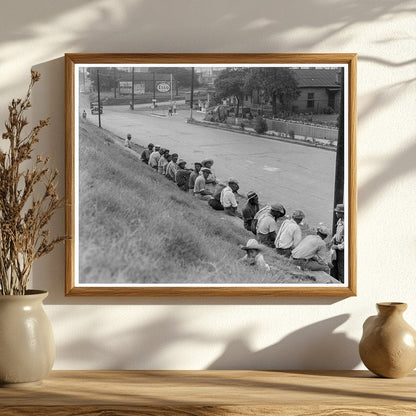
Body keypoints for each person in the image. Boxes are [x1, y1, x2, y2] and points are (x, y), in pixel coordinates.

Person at [330, 203, 344, 283]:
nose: (336, 213)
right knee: (334, 266)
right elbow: (338, 232)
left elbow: (348, 241)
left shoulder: (347, 224)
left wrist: (337, 247)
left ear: (342, 213)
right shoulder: (340, 221)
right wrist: (333, 238)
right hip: (337, 246)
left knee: (341, 267)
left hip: (342, 250)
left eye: (338, 212)